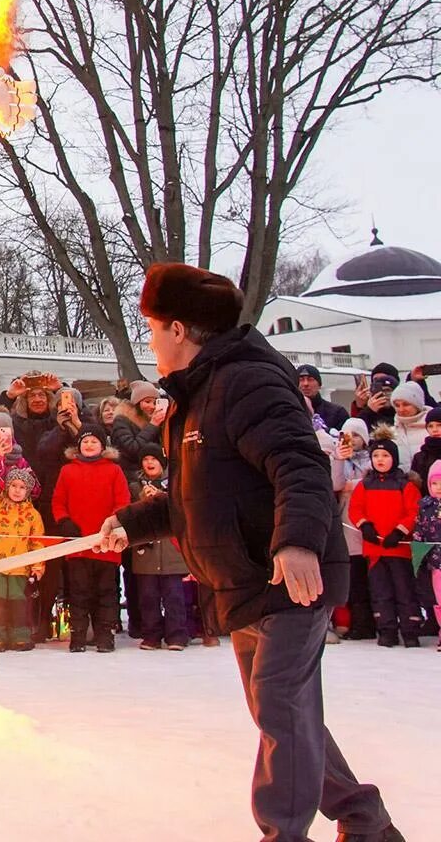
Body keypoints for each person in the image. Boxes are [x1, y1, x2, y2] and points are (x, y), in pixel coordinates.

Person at [96, 263, 397, 842]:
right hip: (242, 582)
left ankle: (283, 833)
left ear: (179, 328)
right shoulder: (192, 399)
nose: (151, 340)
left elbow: (299, 463)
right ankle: (366, 821)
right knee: (281, 712)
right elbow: (194, 499)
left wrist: (299, 541)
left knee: (281, 704)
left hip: (285, 573)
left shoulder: (247, 381)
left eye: (153, 328)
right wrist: (130, 523)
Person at [53, 430, 129, 652]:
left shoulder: (114, 470)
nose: (89, 444)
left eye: (93, 441)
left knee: (106, 591)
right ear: (78, 446)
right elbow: (58, 501)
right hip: (78, 544)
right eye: (85, 441)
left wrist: (113, 524)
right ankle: (78, 635)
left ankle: (105, 635)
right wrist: (64, 520)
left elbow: (122, 501)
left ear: (102, 445)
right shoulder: (67, 471)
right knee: (78, 592)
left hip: (107, 543)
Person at [347, 435, 422, 648]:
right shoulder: (365, 485)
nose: (380, 459)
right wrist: (365, 526)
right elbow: (355, 509)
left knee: (404, 590)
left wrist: (399, 532)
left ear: (394, 458)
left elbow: (414, 512)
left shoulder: (405, 485)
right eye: (376, 455)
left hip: (399, 549)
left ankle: (410, 630)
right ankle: (386, 630)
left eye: (385, 455)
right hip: (375, 550)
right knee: (380, 592)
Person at [0, 465, 45, 651]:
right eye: (14, 486)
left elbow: (38, 542)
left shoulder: (33, 515)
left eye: (22, 487)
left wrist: (37, 566)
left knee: (18, 603)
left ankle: (20, 636)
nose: (17, 490)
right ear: (7, 487)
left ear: (27, 491)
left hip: (20, 568)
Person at [129, 451, 191, 650]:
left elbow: (183, 510)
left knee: (174, 596)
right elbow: (129, 515)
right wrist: (143, 499)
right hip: (146, 553)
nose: (149, 462)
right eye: (145, 459)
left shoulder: (175, 484)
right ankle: (151, 636)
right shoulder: (134, 487)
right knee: (148, 597)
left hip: (172, 552)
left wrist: (162, 498)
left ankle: (177, 636)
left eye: (153, 459)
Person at [327, 418, 376, 641]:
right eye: (346, 435)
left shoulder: (373, 459)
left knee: (373, 576)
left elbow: (372, 483)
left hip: (372, 521)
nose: (351, 440)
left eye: (356, 435)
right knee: (354, 576)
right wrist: (339, 459)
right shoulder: (339, 459)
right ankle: (353, 621)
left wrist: (353, 485)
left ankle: (372, 620)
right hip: (347, 523)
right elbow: (336, 484)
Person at [415, 463, 441, 652]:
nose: (438, 487)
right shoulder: (425, 506)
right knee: (439, 599)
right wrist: (418, 553)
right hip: (436, 562)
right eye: (435, 483)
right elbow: (420, 530)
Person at [298, 365, 349, 431]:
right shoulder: (287, 412)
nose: (306, 384)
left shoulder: (337, 413)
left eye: (310, 379)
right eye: (301, 380)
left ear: (319, 385)